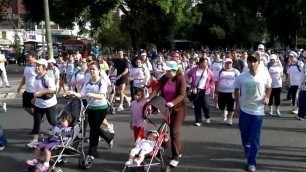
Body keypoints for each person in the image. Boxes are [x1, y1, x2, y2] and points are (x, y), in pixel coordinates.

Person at [234, 52, 272, 172]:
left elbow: (269, 87)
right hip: (245, 110)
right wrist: (237, 104)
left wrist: (267, 97)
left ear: (258, 63)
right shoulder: (242, 76)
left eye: (254, 61)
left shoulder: (264, 76)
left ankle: (251, 162)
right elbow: (236, 89)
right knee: (244, 133)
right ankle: (247, 147)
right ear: (248, 63)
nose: (252, 63)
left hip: (258, 111)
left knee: (255, 137)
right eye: (250, 61)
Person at [67, 62, 114, 158]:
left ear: (99, 71)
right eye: (90, 69)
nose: (92, 71)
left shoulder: (102, 82)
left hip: (101, 108)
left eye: (94, 69)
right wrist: (73, 93)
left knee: (94, 129)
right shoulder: (88, 82)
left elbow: (101, 96)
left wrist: (93, 95)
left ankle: (92, 150)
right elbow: (82, 94)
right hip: (90, 107)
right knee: (94, 127)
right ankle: (108, 137)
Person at [148, 61, 186, 167]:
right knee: (167, 130)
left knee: (174, 132)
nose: (167, 73)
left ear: (175, 70)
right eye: (166, 71)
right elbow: (156, 89)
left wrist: (173, 102)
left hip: (178, 109)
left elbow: (182, 94)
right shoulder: (164, 77)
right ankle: (175, 149)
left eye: (169, 71)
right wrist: (149, 100)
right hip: (166, 108)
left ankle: (175, 157)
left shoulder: (180, 78)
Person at [26, 59, 57, 149]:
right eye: (36, 65)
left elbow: (52, 89)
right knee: (37, 121)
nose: (36, 67)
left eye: (38, 66)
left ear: (44, 67)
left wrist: (40, 93)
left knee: (52, 121)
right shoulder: (37, 77)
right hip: (39, 103)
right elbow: (36, 90)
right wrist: (34, 98)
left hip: (49, 103)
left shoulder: (47, 77)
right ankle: (35, 140)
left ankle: (60, 134)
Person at [185, 58, 215, 126]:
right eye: (204, 62)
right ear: (200, 63)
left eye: (207, 63)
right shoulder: (194, 70)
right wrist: (189, 83)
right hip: (196, 89)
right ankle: (198, 121)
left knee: (206, 104)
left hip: (205, 90)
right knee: (197, 105)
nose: (206, 64)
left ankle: (207, 116)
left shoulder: (208, 71)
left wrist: (210, 87)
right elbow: (187, 75)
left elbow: (212, 80)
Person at [215, 58, 240, 125]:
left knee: (231, 106)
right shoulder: (220, 71)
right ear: (224, 64)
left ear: (232, 63)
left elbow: (239, 81)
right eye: (227, 63)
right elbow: (216, 81)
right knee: (221, 106)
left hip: (231, 92)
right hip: (222, 91)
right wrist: (216, 88)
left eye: (230, 63)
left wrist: (239, 90)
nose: (228, 64)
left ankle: (229, 119)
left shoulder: (236, 71)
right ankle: (223, 113)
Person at [17, 51, 37, 118]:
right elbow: (24, 78)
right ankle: (37, 116)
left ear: (34, 57)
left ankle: (38, 118)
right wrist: (20, 86)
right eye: (26, 57)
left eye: (29, 57)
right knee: (26, 107)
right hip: (28, 90)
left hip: (35, 91)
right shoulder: (27, 67)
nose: (27, 58)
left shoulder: (38, 66)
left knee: (37, 107)